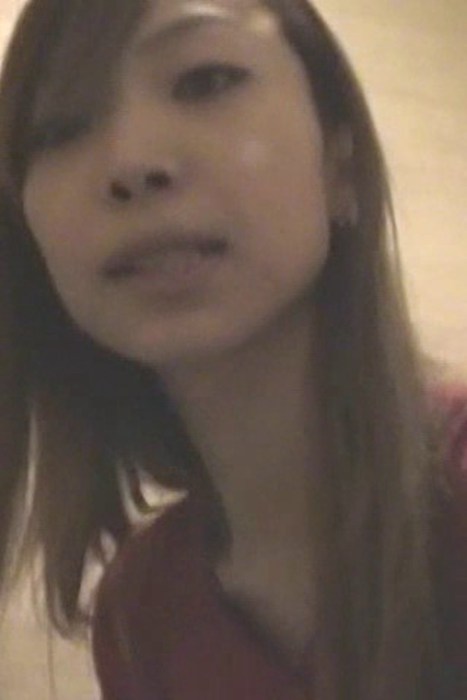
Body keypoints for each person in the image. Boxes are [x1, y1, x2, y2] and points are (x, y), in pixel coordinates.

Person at [0, 0, 465, 698]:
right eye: (61, 125)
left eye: (206, 81)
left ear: (339, 164)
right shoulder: (140, 615)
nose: (131, 163)